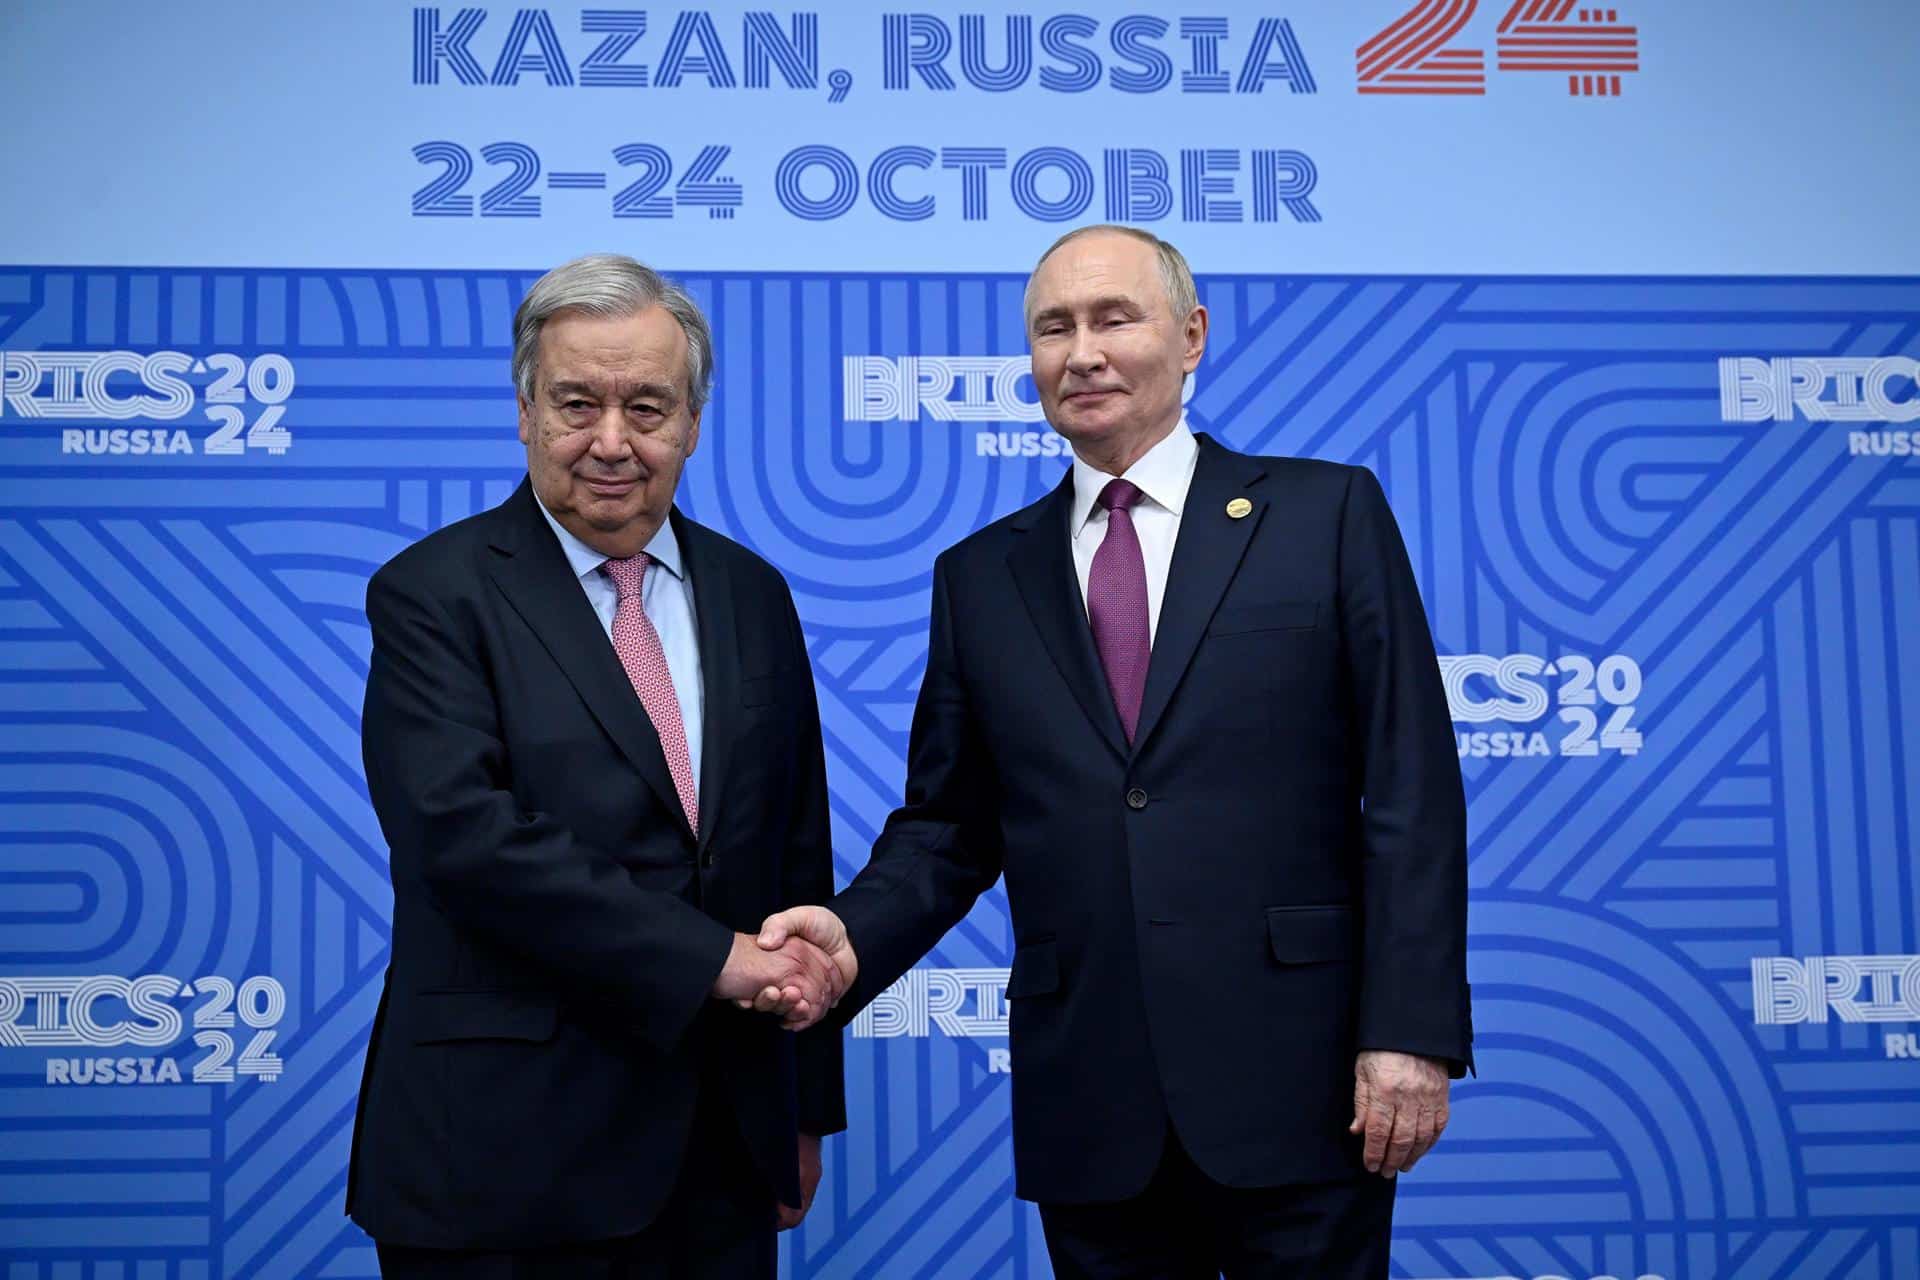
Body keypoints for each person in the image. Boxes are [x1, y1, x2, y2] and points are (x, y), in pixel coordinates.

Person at [757, 226, 1472, 1278]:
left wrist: (1409, 1030)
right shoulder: (981, 575)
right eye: (1054, 328)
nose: (1080, 352)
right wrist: (848, 940)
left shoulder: (1326, 514)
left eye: (1111, 318)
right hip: (1092, 1096)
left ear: (1190, 337)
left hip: (1307, 1085)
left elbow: (1412, 788)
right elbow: (949, 825)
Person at [347, 253, 846, 1278]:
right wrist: (716, 957)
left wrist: (804, 1107)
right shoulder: (433, 593)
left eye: (649, 406)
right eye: (577, 402)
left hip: (720, 1151)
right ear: (524, 408)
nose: (611, 441)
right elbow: (462, 837)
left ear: (695, 421)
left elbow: (796, 852)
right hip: (501, 1161)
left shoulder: (755, 593)